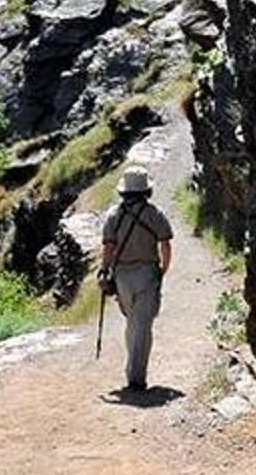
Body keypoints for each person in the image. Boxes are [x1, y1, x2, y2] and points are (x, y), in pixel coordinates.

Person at [99, 165, 173, 391]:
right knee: (142, 326)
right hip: (148, 274)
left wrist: (104, 271)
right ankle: (136, 378)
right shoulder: (155, 214)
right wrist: (163, 270)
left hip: (122, 276)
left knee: (133, 323)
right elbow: (165, 244)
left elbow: (108, 248)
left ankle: (133, 370)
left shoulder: (113, 215)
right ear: (146, 191)